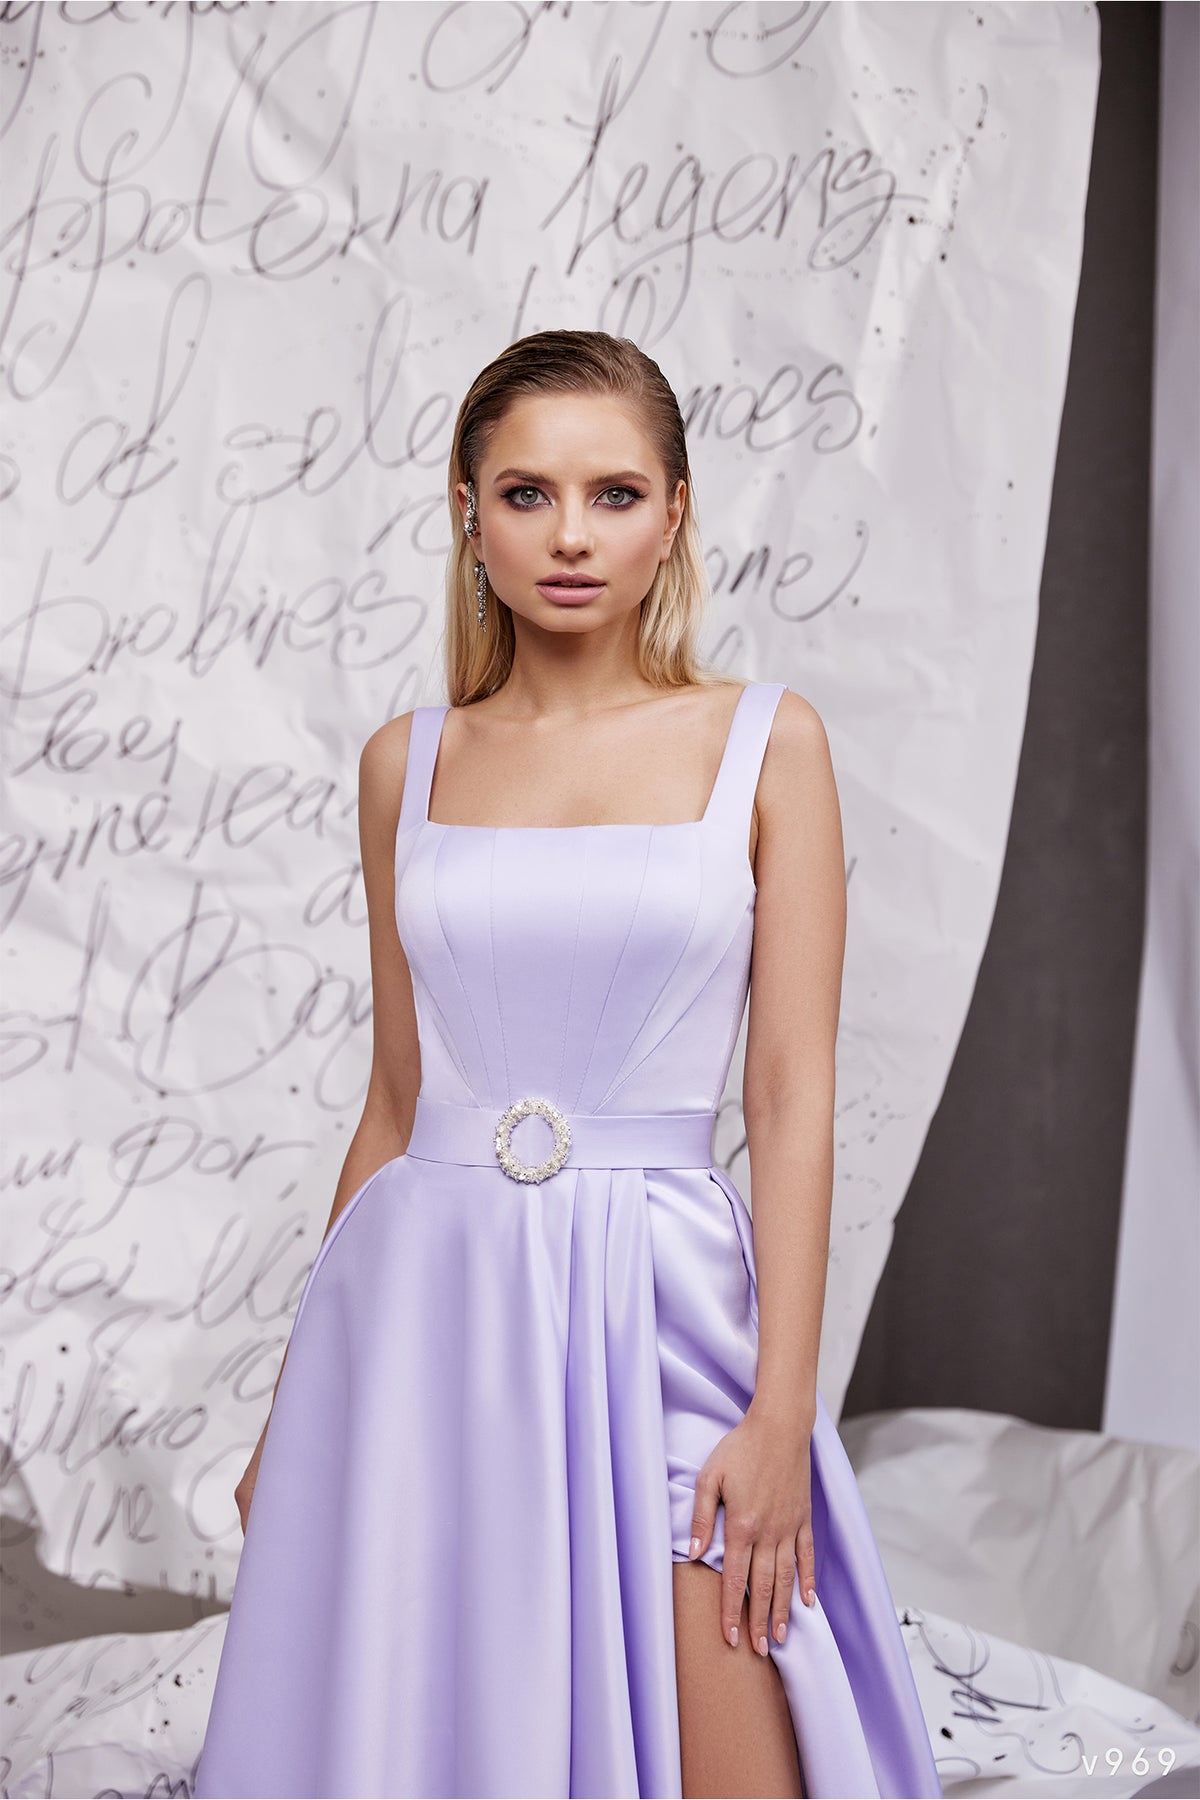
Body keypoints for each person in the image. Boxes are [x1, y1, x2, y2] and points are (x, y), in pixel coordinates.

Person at [192, 329, 943, 1800]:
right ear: (469, 516)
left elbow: (790, 1100)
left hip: (663, 1299)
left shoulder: (766, 743)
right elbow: (396, 1104)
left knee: (735, 1724)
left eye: (615, 494)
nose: (572, 535)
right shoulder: (406, 763)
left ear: (674, 515)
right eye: (527, 494)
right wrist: (297, 1410)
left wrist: (781, 1414)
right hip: (427, 1314)